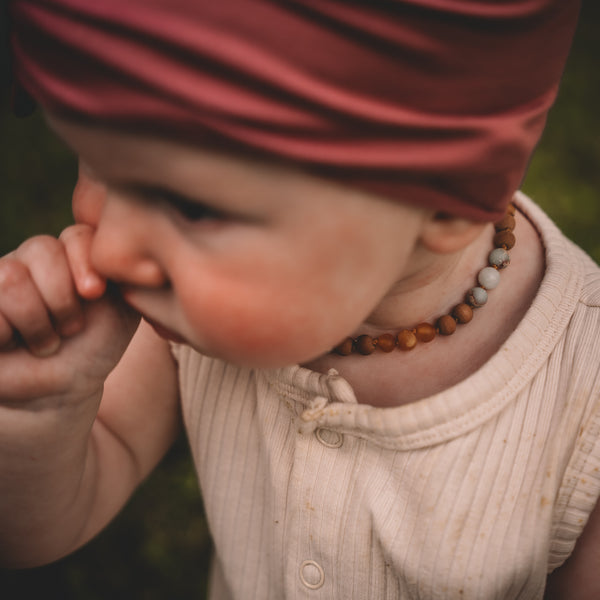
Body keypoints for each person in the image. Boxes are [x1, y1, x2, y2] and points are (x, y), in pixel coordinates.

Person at [2, 1, 598, 598]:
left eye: (192, 206)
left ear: (448, 198)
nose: (108, 249)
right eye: (96, 163)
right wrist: (43, 410)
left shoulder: (583, 416)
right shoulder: (186, 323)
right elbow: (42, 528)